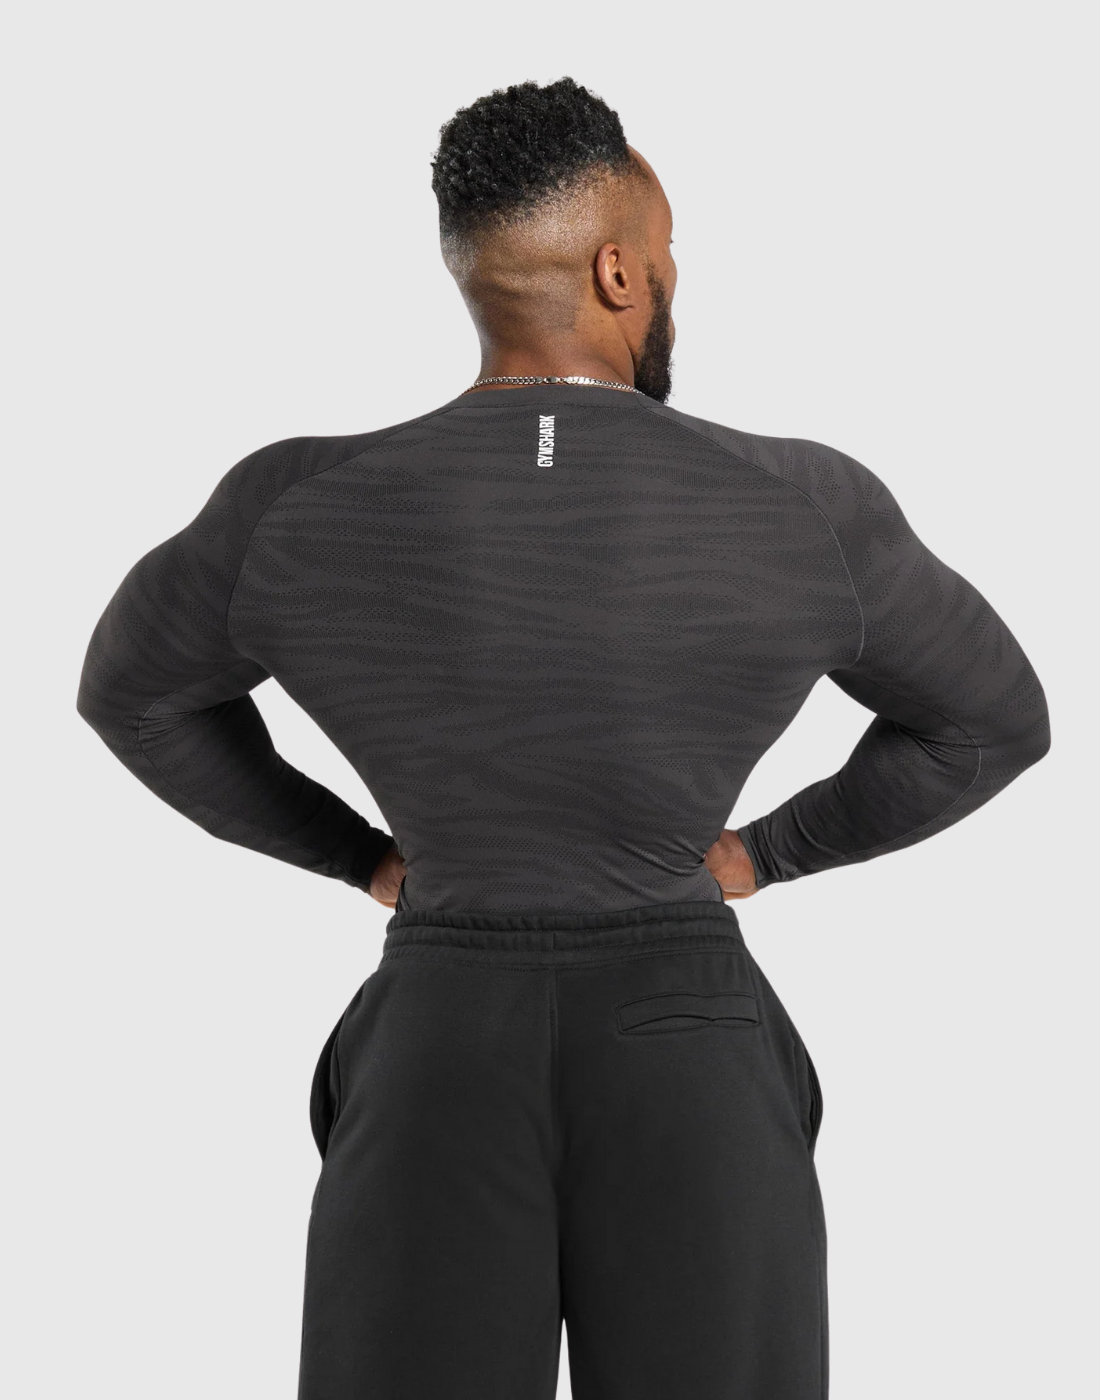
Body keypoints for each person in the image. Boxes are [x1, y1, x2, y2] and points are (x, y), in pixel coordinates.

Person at [77, 76, 1050, 1400]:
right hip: (686, 1038)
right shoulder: (802, 503)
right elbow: (990, 721)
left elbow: (133, 696)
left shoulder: (296, 503)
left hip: (439, 1036)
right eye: (667, 256)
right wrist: (762, 854)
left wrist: (364, 858)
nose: (672, 280)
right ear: (617, 272)